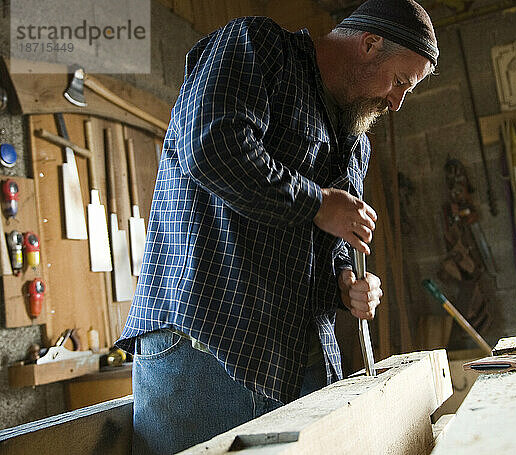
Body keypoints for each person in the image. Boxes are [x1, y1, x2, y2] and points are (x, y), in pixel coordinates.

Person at [116, 0, 438, 453]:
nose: (396, 102)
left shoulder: (355, 140)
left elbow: (335, 242)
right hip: (208, 343)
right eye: (400, 81)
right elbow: (211, 146)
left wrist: (347, 283)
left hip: (296, 360)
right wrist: (316, 204)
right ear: (369, 44)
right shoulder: (259, 48)